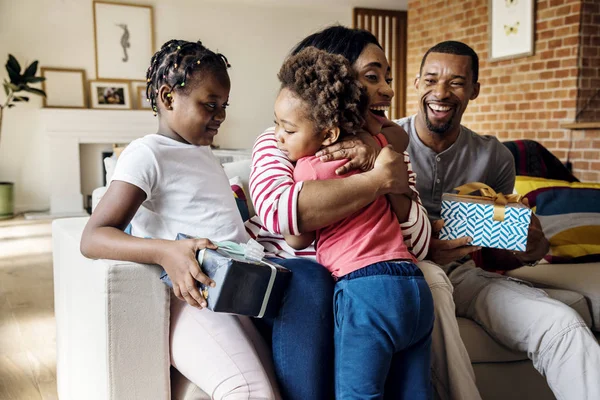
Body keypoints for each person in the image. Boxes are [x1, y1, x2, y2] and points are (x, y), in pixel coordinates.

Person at [80, 39, 335, 400]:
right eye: (209, 105)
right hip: (196, 299)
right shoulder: (146, 154)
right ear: (168, 99)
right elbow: (93, 237)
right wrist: (166, 252)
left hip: (234, 293)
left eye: (224, 106)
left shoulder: (203, 154)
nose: (220, 115)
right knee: (251, 392)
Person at [247, 26, 480, 400]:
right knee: (313, 281)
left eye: (387, 77)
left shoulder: (385, 149)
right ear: (331, 80)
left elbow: (418, 243)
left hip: (369, 283)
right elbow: (282, 215)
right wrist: (378, 181)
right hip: (312, 283)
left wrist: (379, 161)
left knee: (431, 277)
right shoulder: (283, 138)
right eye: (373, 77)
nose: (388, 90)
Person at [393, 40, 600, 399]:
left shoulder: (495, 156)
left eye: (456, 82)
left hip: (462, 275)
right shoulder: (384, 141)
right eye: (431, 79)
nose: (441, 91)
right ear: (417, 84)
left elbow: (494, 254)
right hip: (397, 272)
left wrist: (529, 249)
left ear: (474, 90)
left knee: (561, 325)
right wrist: (424, 245)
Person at [274, 46, 434, 399]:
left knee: (358, 394)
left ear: (328, 134)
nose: (277, 138)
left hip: (365, 290)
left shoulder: (309, 168)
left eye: (286, 129)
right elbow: (400, 137)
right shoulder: (376, 149)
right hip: (414, 286)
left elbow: (296, 238)